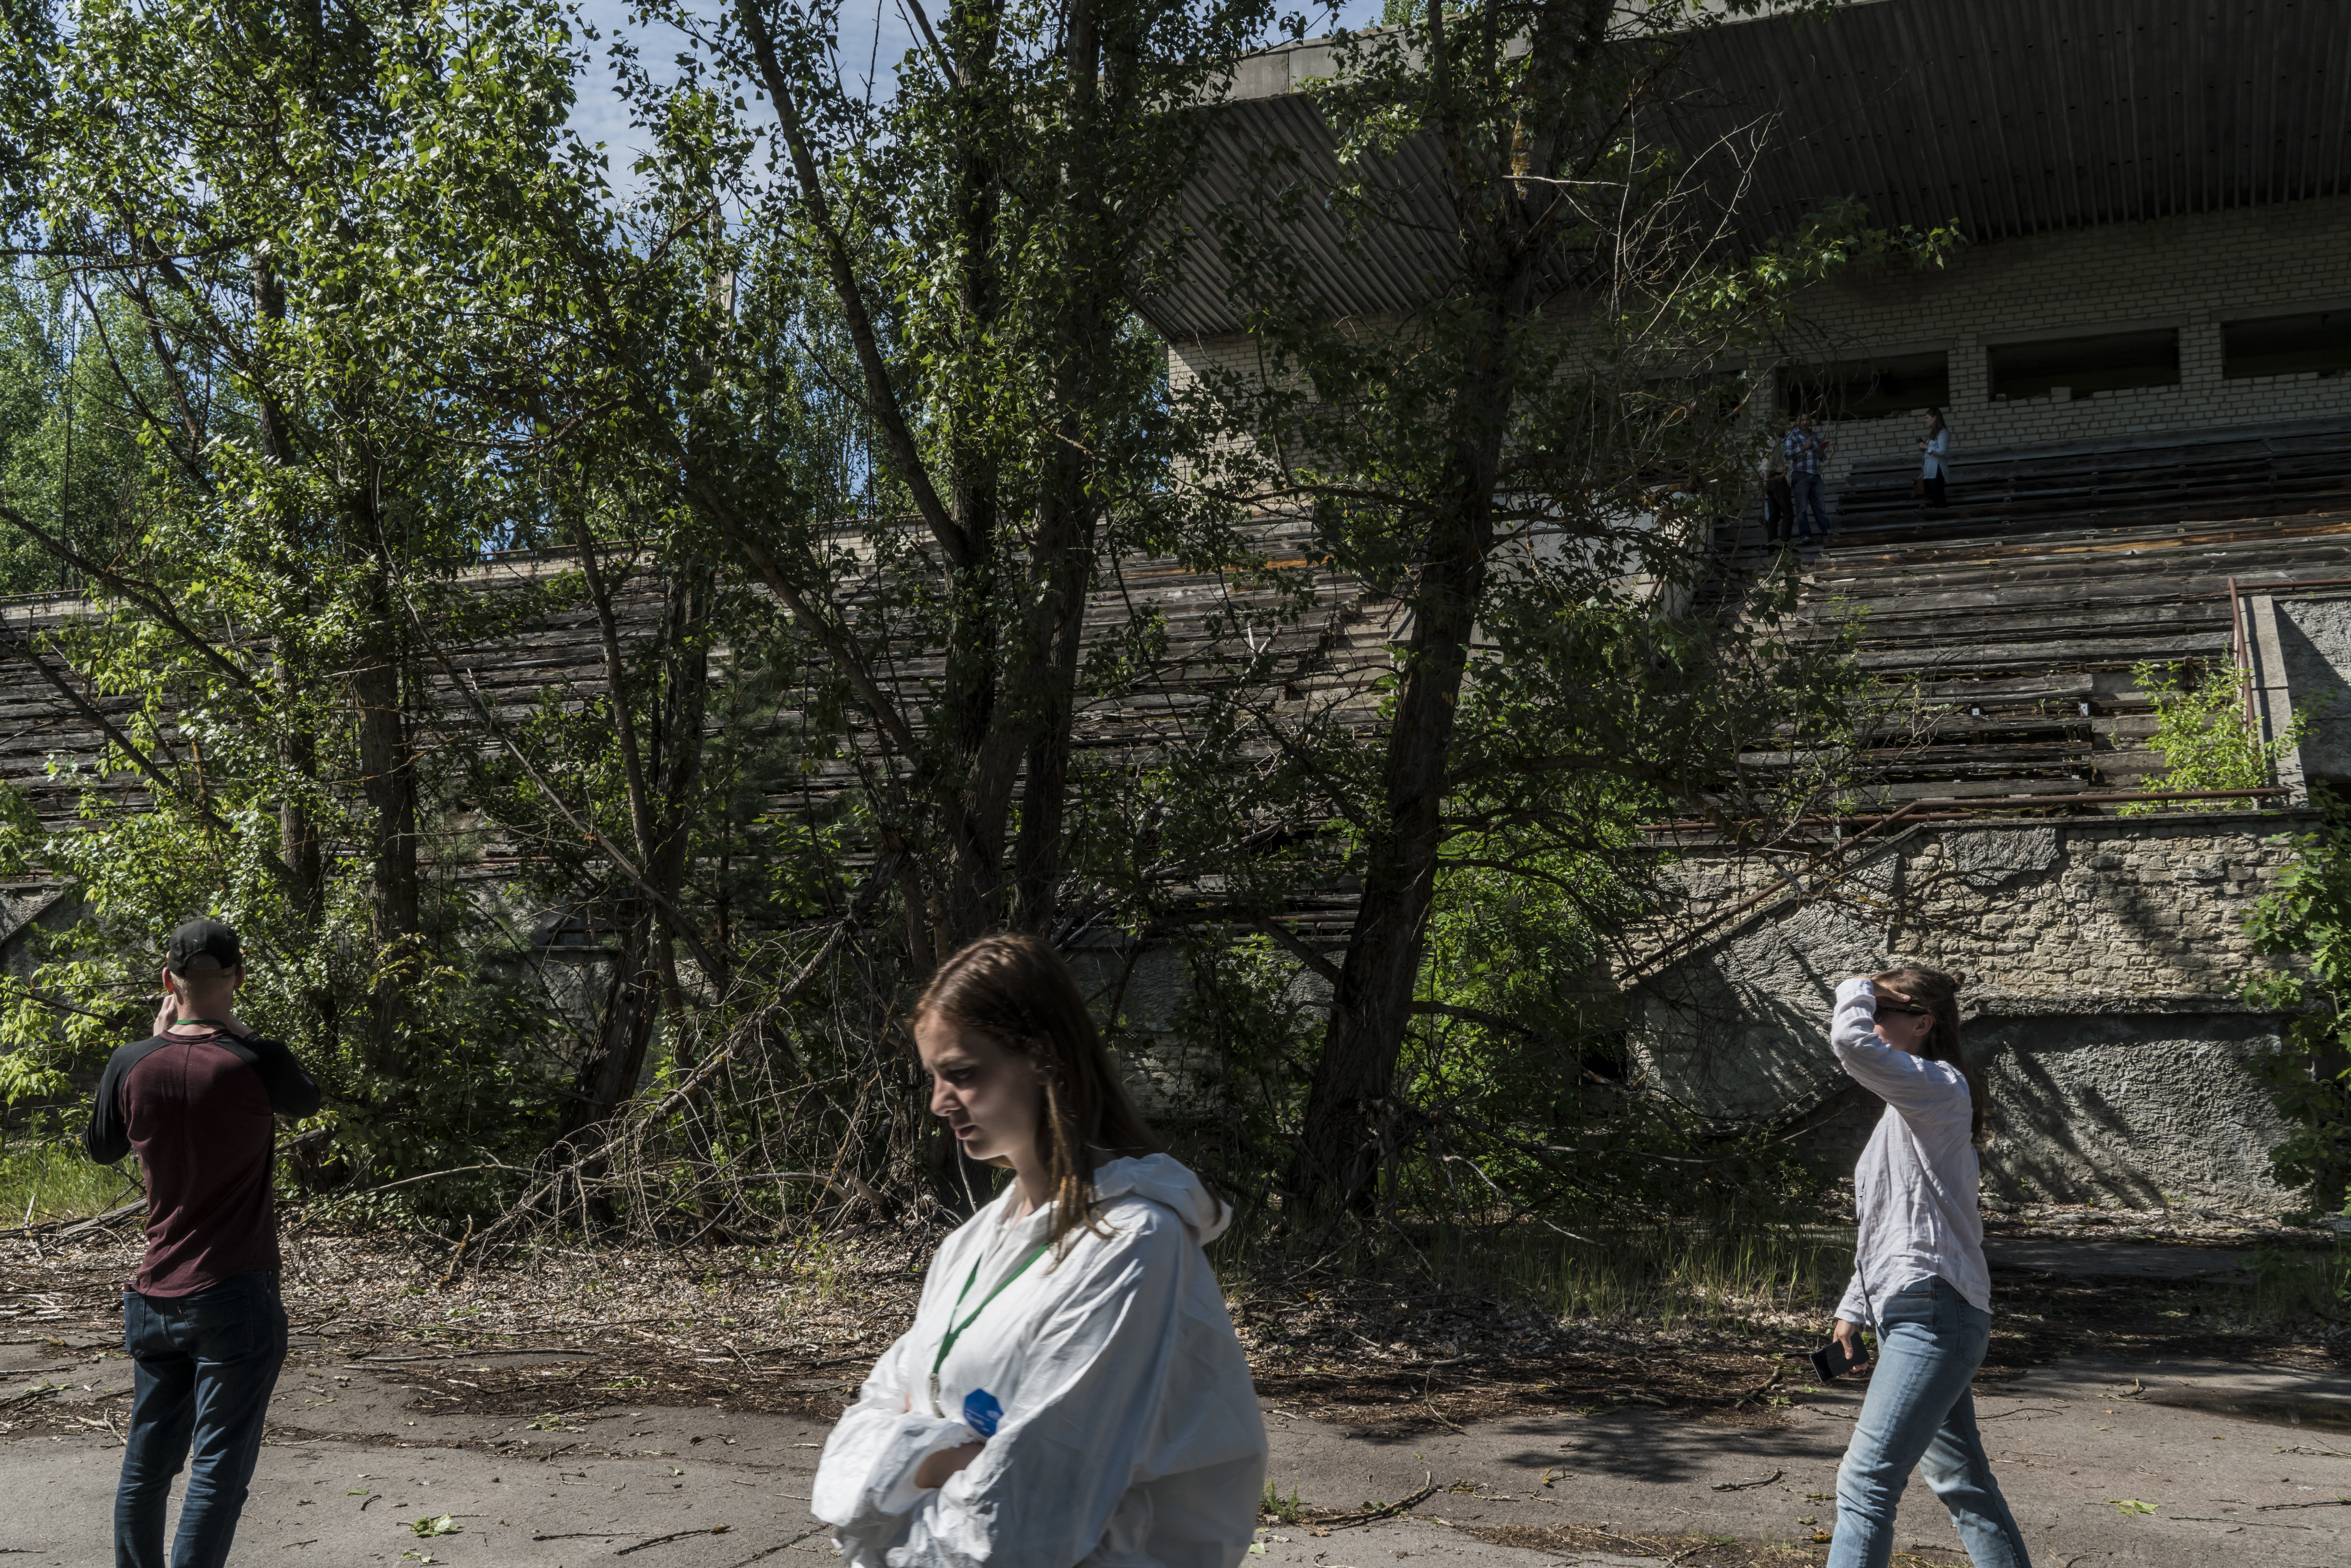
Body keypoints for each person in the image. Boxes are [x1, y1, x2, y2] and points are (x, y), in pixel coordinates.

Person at [811, 934, 1267, 1567]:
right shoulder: (969, 1244)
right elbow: (864, 1428)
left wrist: (914, 1465)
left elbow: (1030, 1514)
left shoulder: (1133, 1245)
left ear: (1044, 1056)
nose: (940, 1103)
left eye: (963, 1075)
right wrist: (943, 1455)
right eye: (935, 1077)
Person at [85, 917, 321, 1568]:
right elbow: (307, 1101)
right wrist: (241, 1034)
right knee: (217, 1468)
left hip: (155, 1293)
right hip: (235, 1290)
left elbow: (102, 1147)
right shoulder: (258, 1061)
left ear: (169, 981)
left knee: (145, 1467)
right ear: (239, 979)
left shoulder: (132, 1061)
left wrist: (156, 1045)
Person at [1823, 968, 2031, 1568]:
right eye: (1870, 1006)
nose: (1870, 1017)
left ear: (1923, 1024)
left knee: (1865, 1482)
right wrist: (1852, 1309)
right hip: (1915, 1309)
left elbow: (1848, 1042)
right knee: (1963, 1485)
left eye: (1883, 1008)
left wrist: (1855, 981)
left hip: (1934, 1313)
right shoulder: (1908, 1108)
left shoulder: (1941, 1086)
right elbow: (1892, 1224)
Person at [1783, 409, 1834, 544]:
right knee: (1802, 508)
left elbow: (1823, 458)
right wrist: (1804, 447)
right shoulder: (1792, 437)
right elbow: (1787, 455)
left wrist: (1821, 453)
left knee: (1820, 507)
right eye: (1802, 420)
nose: (1805, 422)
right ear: (1797, 422)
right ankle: (1805, 535)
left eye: (1807, 420)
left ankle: (1827, 532)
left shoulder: (1816, 436)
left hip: (1816, 476)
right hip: (1800, 476)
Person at [1918, 407, 1952, 508]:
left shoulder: (1942, 433)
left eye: (1928, 418)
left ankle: (1944, 519)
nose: (1926, 420)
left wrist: (1927, 447)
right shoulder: (1934, 433)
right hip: (1930, 471)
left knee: (1939, 498)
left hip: (1937, 470)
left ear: (1935, 418)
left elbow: (1942, 451)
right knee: (1934, 498)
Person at [1762, 457, 1795, 548]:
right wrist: (1766, 480)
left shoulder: (1765, 444)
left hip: (1770, 477)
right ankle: (1783, 546)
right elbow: (1768, 461)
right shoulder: (1773, 442)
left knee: (1774, 516)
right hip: (1776, 478)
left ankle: (1772, 548)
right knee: (1788, 513)